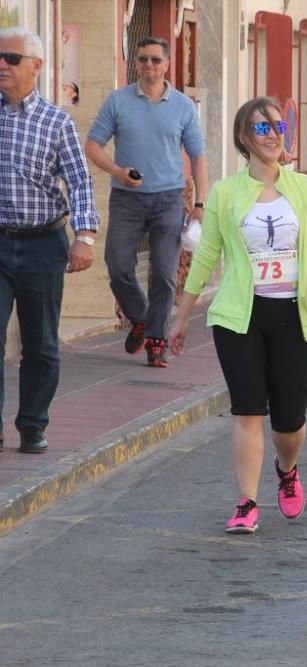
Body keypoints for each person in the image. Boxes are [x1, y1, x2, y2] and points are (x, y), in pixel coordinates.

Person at [167, 97, 307, 533]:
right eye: (263, 129)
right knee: (247, 411)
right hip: (239, 317)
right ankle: (246, 503)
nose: (274, 135)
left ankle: (287, 468)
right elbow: (207, 257)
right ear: (245, 137)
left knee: (290, 422)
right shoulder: (226, 192)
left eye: (279, 127)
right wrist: (181, 316)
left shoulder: (303, 187)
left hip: (294, 314)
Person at [0, 27, 99, 454]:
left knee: (40, 344)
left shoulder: (57, 121)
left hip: (43, 244)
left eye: (11, 58)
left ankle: (32, 425)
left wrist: (86, 238)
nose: (2, 65)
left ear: (37, 67)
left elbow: (79, 182)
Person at [85, 36, 208, 368]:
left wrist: (200, 204)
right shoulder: (118, 101)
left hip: (168, 199)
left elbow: (198, 157)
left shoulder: (182, 106)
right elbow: (93, 145)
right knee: (118, 264)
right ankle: (140, 316)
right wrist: (118, 170)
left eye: (155, 60)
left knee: (164, 274)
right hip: (126, 198)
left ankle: (157, 340)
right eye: (143, 59)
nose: (149, 65)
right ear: (136, 63)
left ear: (167, 64)